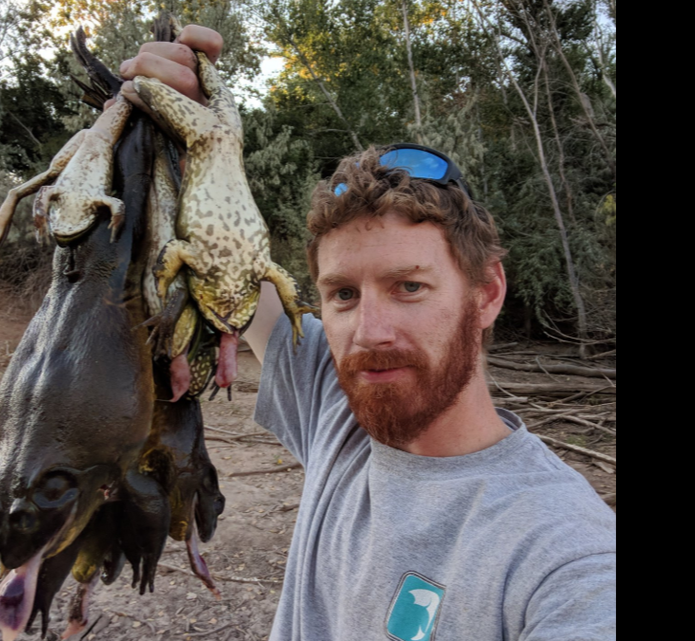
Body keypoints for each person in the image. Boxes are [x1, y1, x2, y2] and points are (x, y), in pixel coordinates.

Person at [117, 25, 616, 641]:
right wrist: (176, 127)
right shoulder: (336, 398)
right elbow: (228, 268)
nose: (367, 333)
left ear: (486, 294)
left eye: (409, 287)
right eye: (343, 295)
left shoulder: (567, 558)